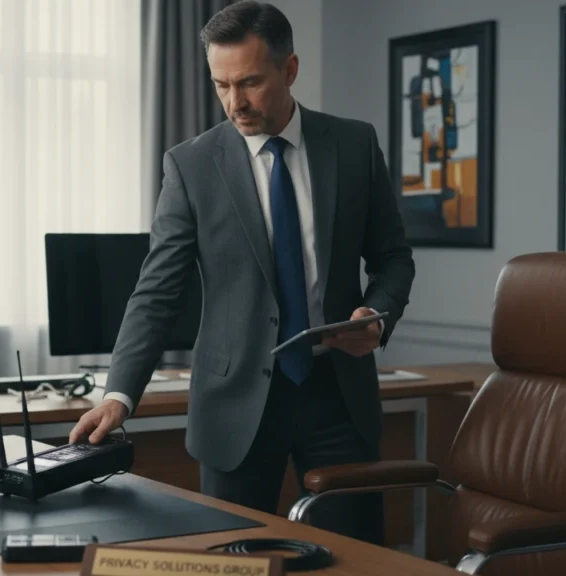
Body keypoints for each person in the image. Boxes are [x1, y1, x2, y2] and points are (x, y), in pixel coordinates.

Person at [68, 0, 414, 545]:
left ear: (290, 69)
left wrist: (376, 316)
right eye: (221, 85)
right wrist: (119, 394)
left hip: (338, 398)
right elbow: (157, 290)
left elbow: (394, 257)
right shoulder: (191, 165)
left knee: (357, 560)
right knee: (231, 559)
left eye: (250, 82)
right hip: (234, 405)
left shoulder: (353, 145)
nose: (235, 102)